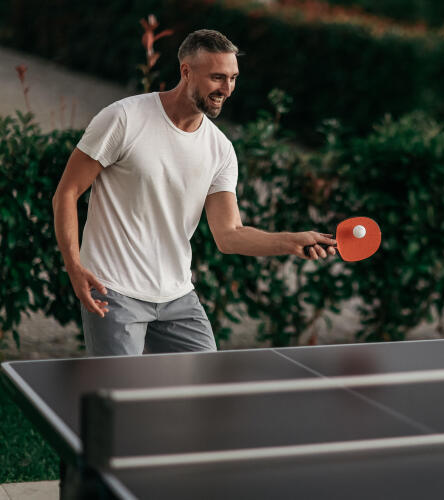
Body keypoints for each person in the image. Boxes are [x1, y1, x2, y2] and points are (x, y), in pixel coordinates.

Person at [52, 29, 336, 357]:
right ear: (186, 72)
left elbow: (229, 235)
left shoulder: (220, 150)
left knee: (203, 391)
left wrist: (291, 241)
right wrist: (74, 266)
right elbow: (67, 192)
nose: (227, 89)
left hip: (177, 297)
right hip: (114, 290)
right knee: (117, 401)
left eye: (233, 78)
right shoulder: (125, 119)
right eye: (217, 78)